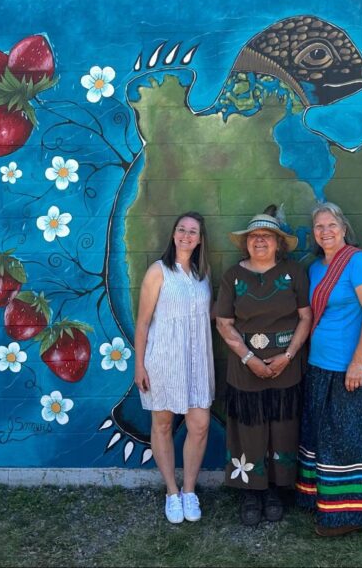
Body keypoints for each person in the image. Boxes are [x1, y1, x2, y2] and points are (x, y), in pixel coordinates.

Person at [214, 206, 312, 526]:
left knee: (282, 428)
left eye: (267, 237)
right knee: (249, 429)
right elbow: (224, 323)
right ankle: (250, 491)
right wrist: (249, 358)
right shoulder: (233, 276)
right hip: (245, 367)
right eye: (254, 236)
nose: (259, 242)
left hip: (287, 364)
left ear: (278, 243)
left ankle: (274, 489)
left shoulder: (294, 272)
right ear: (246, 243)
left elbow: (305, 317)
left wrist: (288, 355)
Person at [295, 201, 362, 536]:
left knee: (349, 442)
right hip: (321, 368)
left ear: (344, 227)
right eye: (319, 227)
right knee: (324, 439)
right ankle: (325, 503)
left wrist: (358, 362)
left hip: (352, 369)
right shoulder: (315, 269)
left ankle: (351, 515)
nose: (326, 232)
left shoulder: (358, 263)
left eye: (331, 225)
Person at [133, 212, 214, 525]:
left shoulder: (203, 274)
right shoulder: (158, 272)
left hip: (197, 362)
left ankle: (190, 490)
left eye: (193, 231)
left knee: (199, 424)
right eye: (181, 229)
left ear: (200, 239)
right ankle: (171, 492)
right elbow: (142, 323)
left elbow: (209, 315)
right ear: (173, 234)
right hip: (164, 360)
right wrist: (139, 364)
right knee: (163, 425)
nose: (186, 235)